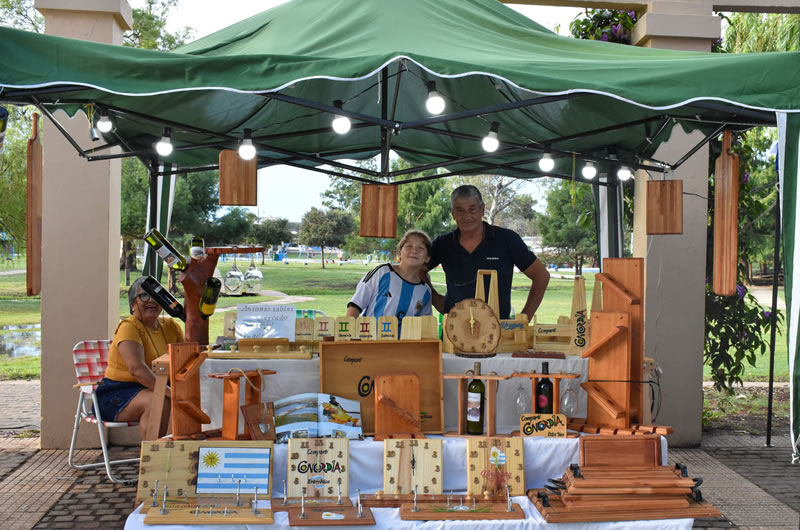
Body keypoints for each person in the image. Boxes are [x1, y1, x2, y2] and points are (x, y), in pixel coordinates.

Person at [426, 185, 550, 321]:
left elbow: (541, 276)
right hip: (454, 332)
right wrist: (436, 300)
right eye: (460, 210)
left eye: (472, 209)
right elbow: (416, 269)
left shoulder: (506, 240)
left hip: (498, 333)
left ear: (482, 210)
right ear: (453, 214)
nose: (467, 216)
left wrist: (523, 319)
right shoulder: (443, 244)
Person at [94, 276, 184, 439]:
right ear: (132, 304)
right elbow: (137, 370)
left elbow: (186, 358)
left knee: (180, 396)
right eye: (144, 296)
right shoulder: (129, 327)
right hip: (117, 392)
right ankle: (151, 458)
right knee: (158, 400)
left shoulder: (171, 327)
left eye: (156, 296)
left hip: (155, 387)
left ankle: (178, 451)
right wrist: (171, 392)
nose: (151, 300)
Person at [346, 230, 433, 322]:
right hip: (369, 336)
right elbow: (355, 305)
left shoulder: (425, 291)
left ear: (427, 258)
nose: (414, 250)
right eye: (409, 246)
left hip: (405, 337)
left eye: (420, 248)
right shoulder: (382, 273)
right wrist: (348, 333)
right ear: (399, 253)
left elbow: (425, 324)